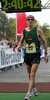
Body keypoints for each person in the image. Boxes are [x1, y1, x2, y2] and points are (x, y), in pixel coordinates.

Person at [17, 15, 48, 100]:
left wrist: (45, 54)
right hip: (27, 54)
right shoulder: (24, 31)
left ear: (34, 21)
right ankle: (34, 89)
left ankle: (28, 94)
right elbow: (21, 41)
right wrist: (18, 46)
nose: (30, 21)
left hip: (35, 54)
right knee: (29, 74)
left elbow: (44, 41)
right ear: (26, 21)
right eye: (28, 19)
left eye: (32, 19)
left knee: (32, 74)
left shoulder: (38, 30)